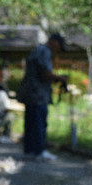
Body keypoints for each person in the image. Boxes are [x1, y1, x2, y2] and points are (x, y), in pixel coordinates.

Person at [18, 33, 68, 161]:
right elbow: (45, 73)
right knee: (38, 123)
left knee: (30, 123)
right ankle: (39, 150)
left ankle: (30, 150)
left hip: (31, 93)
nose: (57, 49)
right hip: (37, 94)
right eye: (58, 45)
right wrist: (60, 78)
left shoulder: (38, 50)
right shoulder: (44, 51)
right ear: (53, 41)